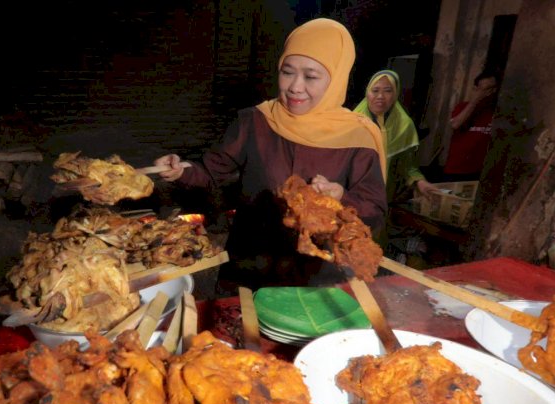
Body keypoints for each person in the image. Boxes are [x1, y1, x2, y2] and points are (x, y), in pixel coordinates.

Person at [154, 18, 387, 294]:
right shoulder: (256, 121)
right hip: (250, 270)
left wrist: (340, 201)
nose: (295, 87)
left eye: (311, 76)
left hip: (319, 280)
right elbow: (211, 173)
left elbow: (374, 210)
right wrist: (182, 169)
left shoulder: (358, 137)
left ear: (337, 78)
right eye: (288, 72)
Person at [353, 69, 439, 204]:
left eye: (388, 90)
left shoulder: (404, 125)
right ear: (367, 93)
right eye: (375, 90)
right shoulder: (352, 122)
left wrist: (420, 182)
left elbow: (408, 165)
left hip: (384, 198)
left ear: (396, 94)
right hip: (351, 194)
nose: (380, 96)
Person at [442, 70, 500, 181]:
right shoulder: (462, 107)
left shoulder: (496, 112)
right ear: (476, 89)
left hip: (479, 172)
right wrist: (476, 100)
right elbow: (455, 124)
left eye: (492, 88)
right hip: (456, 170)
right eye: (485, 89)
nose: (489, 92)